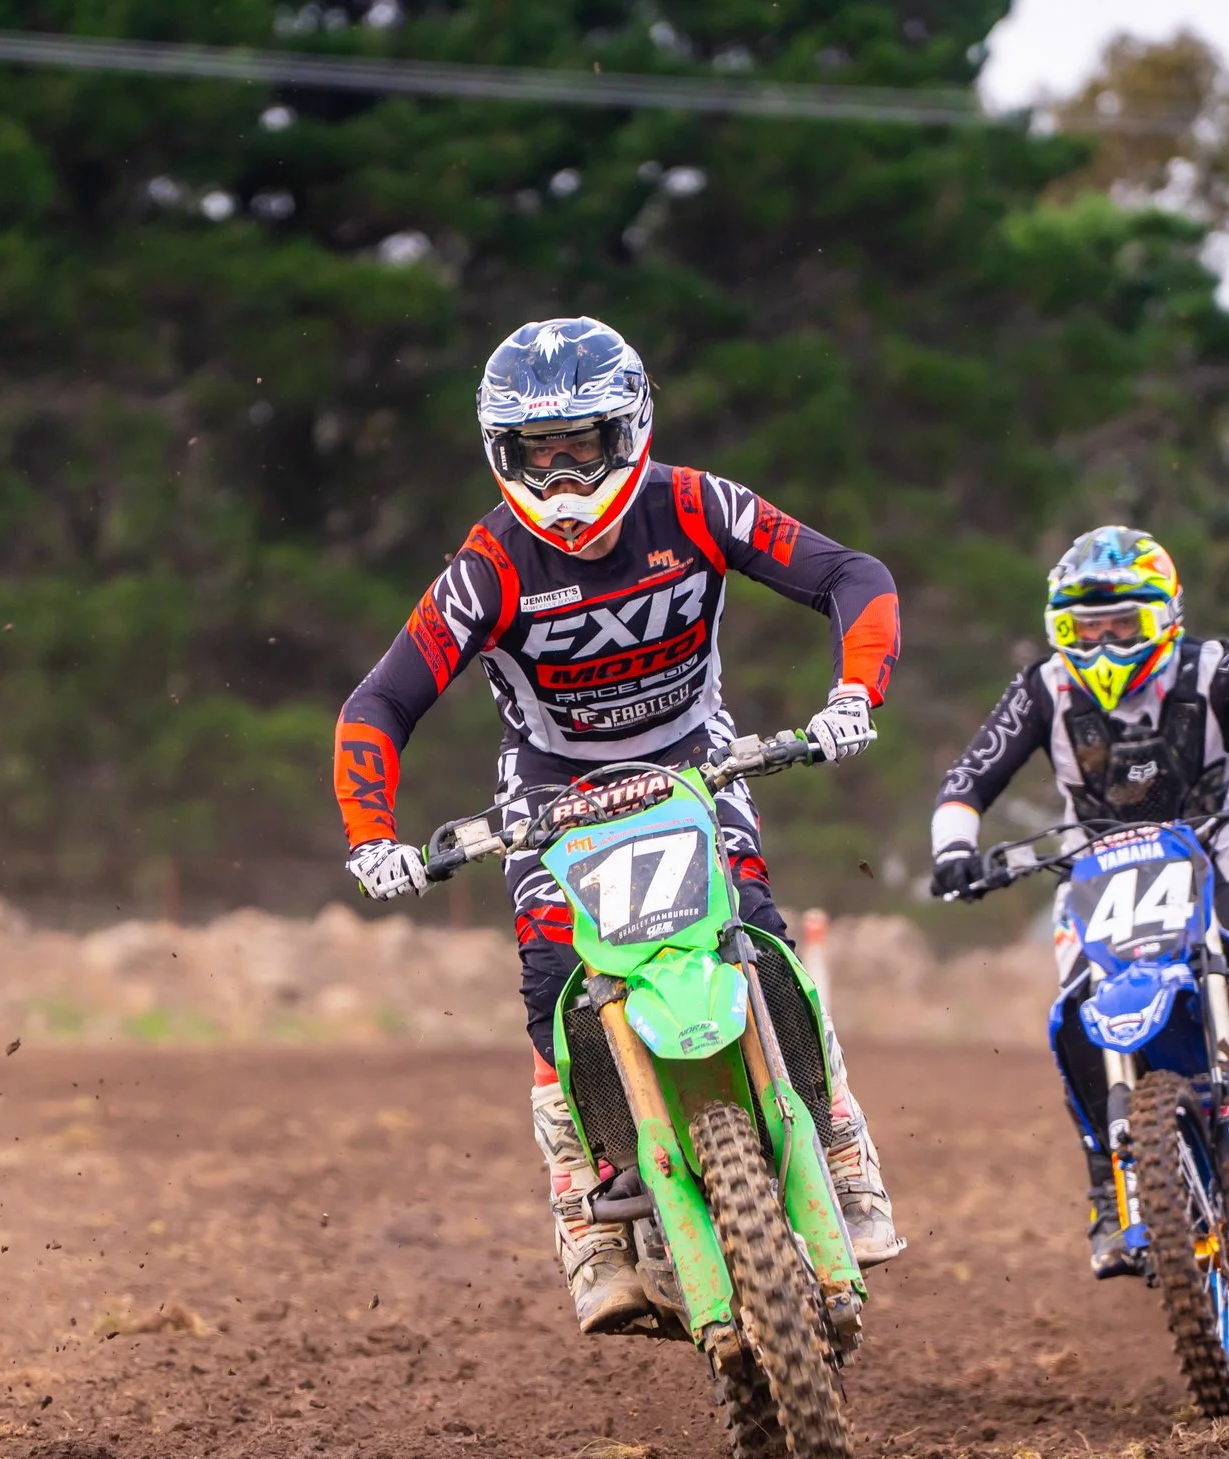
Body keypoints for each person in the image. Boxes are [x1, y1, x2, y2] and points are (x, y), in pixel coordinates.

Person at [333, 316, 904, 1333]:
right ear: (499, 453)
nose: (560, 478)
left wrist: (854, 690)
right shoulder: (486, 566)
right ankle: (584, 1211)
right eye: (534, 454)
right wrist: (373, 834)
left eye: (581, 446)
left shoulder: (694, 504)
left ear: (627, 428)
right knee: (556, 985)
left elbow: (848, 574)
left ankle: (842, 1145)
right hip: (551, 791)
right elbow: (379, 702)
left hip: (695, 759)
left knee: (759, 941)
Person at [927, 526, 1229, 1278]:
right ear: (1059, 629)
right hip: (1097, 870)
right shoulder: (1044, 687)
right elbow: (968, 779)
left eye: (1122, 625)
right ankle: (1111, 1189)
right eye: (1086, 627)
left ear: (1165, 616)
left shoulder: (1210, 667)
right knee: (1078, 1004)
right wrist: (953, 851)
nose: (1104, 645)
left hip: (1217, 848)